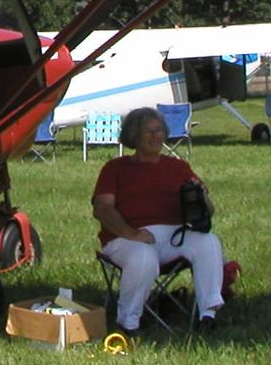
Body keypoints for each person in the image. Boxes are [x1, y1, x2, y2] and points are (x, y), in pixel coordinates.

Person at [92, 106, 226, 336]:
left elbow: (208, 211)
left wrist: (201, 197)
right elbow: (103, 209)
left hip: (174, 236)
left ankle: (208, 315)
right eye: (148, 131)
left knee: (208, 242)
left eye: (159, 130)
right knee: (143, 256)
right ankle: (128, 324)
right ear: (134, 135)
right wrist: (133, 234)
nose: (156, 136)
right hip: (125, 237)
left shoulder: (178, 167)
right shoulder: (115, 168)